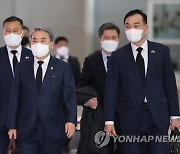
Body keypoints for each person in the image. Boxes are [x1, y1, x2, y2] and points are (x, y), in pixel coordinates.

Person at [104, 9, 180, 154]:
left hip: (158, 116)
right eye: (127, 26)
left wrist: (175, 115)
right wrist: (109, 121)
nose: (131, 29)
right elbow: (111, 89)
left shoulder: (161, 51)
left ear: (145, 28)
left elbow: (170, 85)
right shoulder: (118, 56)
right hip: (129, 117)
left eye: (136, 25)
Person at [7, 27, 77, 154]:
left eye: (43, 40)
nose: (38, 44)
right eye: (35, 40)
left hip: (53, 127)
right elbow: (15, 97)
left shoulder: (63, 67)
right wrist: (12, 125)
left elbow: (69, 96)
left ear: (51, 45)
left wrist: (71, 121)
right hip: (26, 128)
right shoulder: (22, 67)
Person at [77, 23, 120, 154]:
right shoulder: (91, 61)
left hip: (122, 116)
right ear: (100, 39)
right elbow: (80, 87)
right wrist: (87, 101)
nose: (110, 40)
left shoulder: (125, 59)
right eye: (106, 37)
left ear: (118, 39)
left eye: (114, 37)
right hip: (98, 117)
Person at [0, 16, 33, 154]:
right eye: (8, 31)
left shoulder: (33, 56)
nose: (11, 34)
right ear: (3, 33)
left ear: (22, 33)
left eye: (15, 30)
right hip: (2, 122)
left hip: (28, 123)